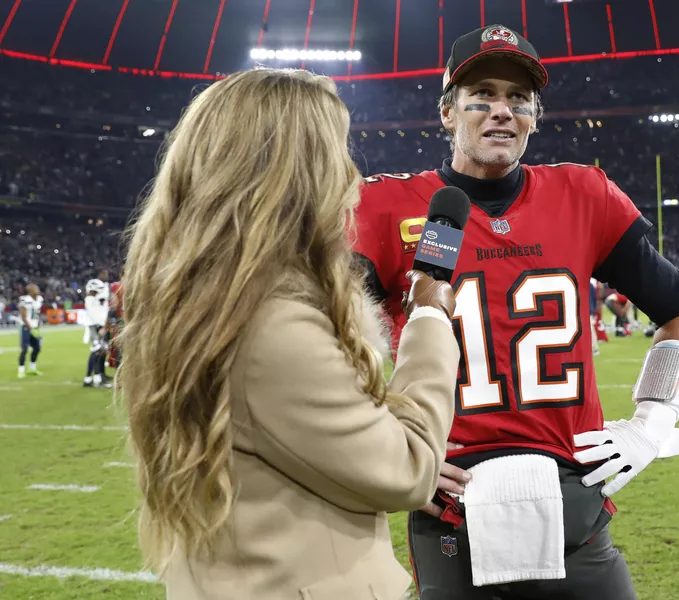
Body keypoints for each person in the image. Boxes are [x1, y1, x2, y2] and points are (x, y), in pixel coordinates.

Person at [354, 24, 679, 600]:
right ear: (447, 113)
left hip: (576, 503)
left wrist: (653, 423)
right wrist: (379, 437)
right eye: (482, 96)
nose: (501, 111)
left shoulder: (582, 196)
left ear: (535, 117)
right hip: (450, 506)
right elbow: (326, 339)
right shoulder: (387, 207)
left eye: (518, 99)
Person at [118, 68, 461, 600]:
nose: (351, 174)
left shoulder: (207, 300)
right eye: (337, 152)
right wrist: (429, 316)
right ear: (294, 173)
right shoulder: (273, 321)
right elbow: (409, 469)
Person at [83, 278, 112, 388]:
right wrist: (101, 327)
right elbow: (93, 315)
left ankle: (89, 379)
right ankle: (96, 379)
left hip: (97, 327)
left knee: (97, 353)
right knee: (96, 352)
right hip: (95, 327)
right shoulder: (90, 299)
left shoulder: (93, 298)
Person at [17, 282, 44, 378]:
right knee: (24, 349)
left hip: (35, 327)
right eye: (35, 288)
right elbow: (23, 316)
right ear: (30, 290)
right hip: (26, 327)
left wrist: (38, 326)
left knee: (37, 348)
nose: (38, 289)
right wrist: (31, 328)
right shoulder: (24, 300)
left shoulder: (39, 299)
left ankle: (32, 368)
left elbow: (37, 314)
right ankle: (21, 370)